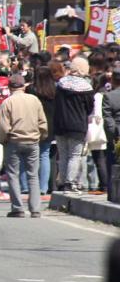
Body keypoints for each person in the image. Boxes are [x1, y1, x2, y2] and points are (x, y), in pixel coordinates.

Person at [0, 74, 47, 218]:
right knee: (33, 175)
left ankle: (18, 208)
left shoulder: (7, 102)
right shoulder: (34, 100)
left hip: (14, 141)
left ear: (9, 87)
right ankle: (35, 209)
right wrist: (41, 136)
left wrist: (4, 139)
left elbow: (3, 126)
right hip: (33, 141)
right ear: (24, 86)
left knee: (13, 175)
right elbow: (42, 122)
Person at [53, 56, 94, 193]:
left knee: (63, 154)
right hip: (77, 125)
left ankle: (61, 181)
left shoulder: (61, 83)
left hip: (60, 124)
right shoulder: (86, 87)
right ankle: (70, 183)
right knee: (75, 155)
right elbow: (90, 109)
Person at [26, 66, 57, 194]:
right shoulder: (54, 90)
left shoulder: (31, 89)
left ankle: (31, 185)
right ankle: (43, 187)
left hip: (34, 124)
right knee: (44, 155)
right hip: (50, 125)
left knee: (32, 156)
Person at [102, 68, 120, 195]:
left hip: (116, 135)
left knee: (112, 164)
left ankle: (113, 193)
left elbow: (108, 118)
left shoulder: (108, 96)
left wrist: (114, 133)